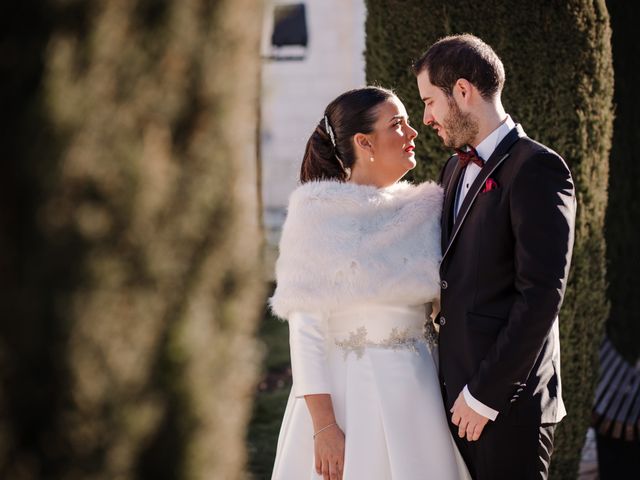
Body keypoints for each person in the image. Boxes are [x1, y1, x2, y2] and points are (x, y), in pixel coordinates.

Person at [270, 86, 470, 480]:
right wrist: (324, 428)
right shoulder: (316, 215)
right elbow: (305, 333)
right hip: (348, 400)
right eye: (398, 124)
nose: (414, 132)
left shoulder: (428, 210)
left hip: (421, 394)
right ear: (364, 142)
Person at [413, 34, 576, 480]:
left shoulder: (538, 168)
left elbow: (541, 296)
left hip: (508, 407)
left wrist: (484, 394)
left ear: (462, 92)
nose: (426, 117)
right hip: (453, 400)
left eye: (430, 102)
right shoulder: (452, 169)